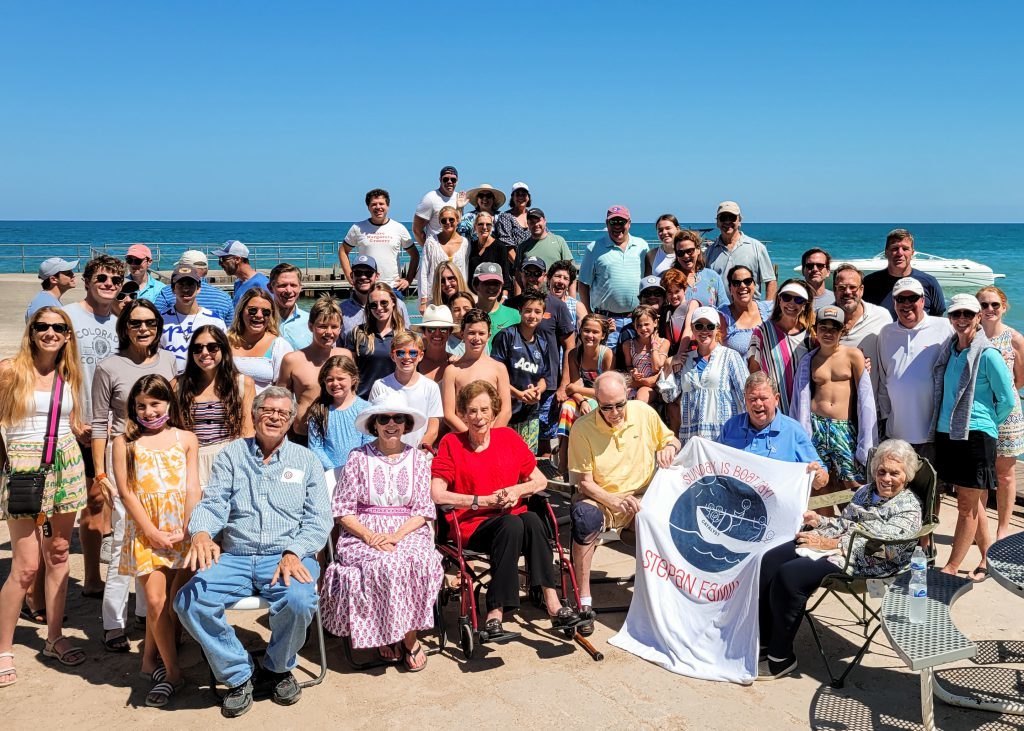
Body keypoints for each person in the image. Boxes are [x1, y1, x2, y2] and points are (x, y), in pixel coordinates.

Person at [174, 386, 332, 717]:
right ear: (254, 415)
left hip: (285, 554)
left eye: (282, 413)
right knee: (188, 601)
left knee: (300, 600)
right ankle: (238, 672)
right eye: (267, 411)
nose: (274, 417)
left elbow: (319, 521)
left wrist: (295, 551)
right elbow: (214, 502)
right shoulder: (231, 455)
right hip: (235, 555)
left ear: (291, 421)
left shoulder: (307, 461)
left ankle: (277, 667)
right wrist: (201, 532)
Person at [756, 439, 922, 680]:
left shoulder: (908, 508)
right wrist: (820, 523)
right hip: (838, 548)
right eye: (881, 471)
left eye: (894, 473)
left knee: (790, 575)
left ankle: (780, 659)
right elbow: (845, 524)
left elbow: (887, 550)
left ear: (906, 476)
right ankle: (763, 642)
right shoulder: (866, 491)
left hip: (870, 564)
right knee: (770, 560)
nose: (886, 478)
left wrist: (833, 544)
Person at [431, 380, 581, 637]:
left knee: (533, 520)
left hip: (514, 522)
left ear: (494, 411)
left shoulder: (508, 438)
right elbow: (436, 493)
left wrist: (516, 491)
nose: (479, 417)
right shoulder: (451, 443)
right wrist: (481, 501)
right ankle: (495, 611)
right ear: (463, 415)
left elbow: (540, 480)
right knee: (514, 523)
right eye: (472, 411)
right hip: (472, 524)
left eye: (484, 410)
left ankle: (554, 604)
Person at [321, 391, 443, 670]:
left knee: (420, 561)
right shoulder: (358, 458)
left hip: (408, 530)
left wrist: (397, 536)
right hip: (364, 531)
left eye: (398, 418)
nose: (391, 424)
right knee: (385, 564)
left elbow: (424, 510)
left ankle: (409, 638)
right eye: (384, 418)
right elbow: (342, 509)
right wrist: (369, 536)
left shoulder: (419, 460)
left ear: (406, 425)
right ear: (374, 423)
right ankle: (385, 633)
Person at [0, 308, 88, 686]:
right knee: (25, 567)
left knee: (59, 554)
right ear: (31, 331)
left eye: (59, 327)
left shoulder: (70, 374)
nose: (50, 333)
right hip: (23, 470)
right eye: (43, 326)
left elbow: (69, 420)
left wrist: (82, 431)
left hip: (65, 466)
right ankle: (4, 648)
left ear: (68, 335)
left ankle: (54, 638)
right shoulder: (9, 370)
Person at [91, 299, 176, 652]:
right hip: (123, 456)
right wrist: (99, 472)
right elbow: (99, 423)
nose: (144, 329)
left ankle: (144, 611)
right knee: (125, 538)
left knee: (152, 537)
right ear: (125, 327)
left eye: (151, 323)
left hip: (160, 460)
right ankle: (113, 621)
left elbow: (171, 411)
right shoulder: (109, 366)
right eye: (136, 323)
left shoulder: (169, 360)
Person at [567, 371, 680, 635]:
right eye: (607, 407)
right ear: (596, 401)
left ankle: (656, 595)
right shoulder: (582, 428)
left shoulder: (643, 412)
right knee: (585, 520)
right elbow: (584, 483)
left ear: (628, 395)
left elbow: (671, 438)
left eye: (620, 404)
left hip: (640, 495)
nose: (615, 412)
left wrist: (670, 448)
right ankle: (583, 600)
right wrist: (613, 501)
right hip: (599, 496)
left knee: (658, 520)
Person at [112, 375, 199, 706]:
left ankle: (150, 660)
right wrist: (151, 531)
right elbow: (127, 492)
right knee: (155, 600)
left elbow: (192, 486)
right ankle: (173, 673)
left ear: (168, 404)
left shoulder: (186, 438)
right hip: (147, 531)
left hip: (182, 529)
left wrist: (187, 527)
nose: (148, 412)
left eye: (154, 404)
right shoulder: (125, 442)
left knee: (175, 597)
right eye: (141, 406)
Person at [933, 294, 1016, 582]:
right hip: (948, 433)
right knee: (971, 501)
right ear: (950, 318)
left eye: (968, 314)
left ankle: (952, 566)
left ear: (978, 317)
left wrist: (987, 423)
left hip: (976, 434)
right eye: (957, 315)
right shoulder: (950, 349)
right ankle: (988, 557)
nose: (962, 320)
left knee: (967, 504)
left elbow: (1007, 398)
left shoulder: (988, 353)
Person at [64, 254, 124, 597]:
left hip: (116, 427)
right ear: (87, 280)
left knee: (112, 500)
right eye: (102, 278)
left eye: (115, 281)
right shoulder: (68, 317)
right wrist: (72, 418)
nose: (108, 285)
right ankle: (90, 577)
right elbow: (56, 371)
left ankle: (111, 573)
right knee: (92, 501)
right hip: (80, 424)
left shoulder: (120, 322)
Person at [791, 306, 877, 499]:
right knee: (819, 482)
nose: (828, 333)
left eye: (834, 328)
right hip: (816, 425)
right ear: (816, 330)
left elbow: (865, 396)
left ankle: (853, 524)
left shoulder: (853, 355)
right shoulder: (810, 359)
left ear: (842, 331)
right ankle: (824, 526)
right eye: (823, 327)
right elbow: (801, 396)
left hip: (843, 428)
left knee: (854, 482)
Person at [876, 277, 954, 457]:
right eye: (901, 299)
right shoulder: (886, 333)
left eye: (912, 298)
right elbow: (883, 379)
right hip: (896, 432)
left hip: (934, 433)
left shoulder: (945, 327)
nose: (906, 304)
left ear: (923, 301)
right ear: (894, 303)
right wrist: (884, 418)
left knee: (934, 484)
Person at [508, 257, 576, 455]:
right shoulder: (511, 305)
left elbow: (570, 347)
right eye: (527, 272)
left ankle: (542, 482)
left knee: (545, 439)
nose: (532, 277)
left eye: (537, 273)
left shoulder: (557, 306)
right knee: (515, 439)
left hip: (548, 385)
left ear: (544, 277)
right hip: (516, 385)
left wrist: (564, 385)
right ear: (521, 275)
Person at [717, 372, 830, 489]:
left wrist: (817, 476)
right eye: (752, 398)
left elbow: (821, 479)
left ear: (776, 399)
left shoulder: (793, 430)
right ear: (745, 399)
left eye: (763, 398)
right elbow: (713, 459)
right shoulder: (731, 426)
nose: (758, 404)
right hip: (737, 503)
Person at [174, 325, 255, 486]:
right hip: (190, 458)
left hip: (229, 456)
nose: (204, 353)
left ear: (223, 349)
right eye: (198, 348)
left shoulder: (242, 383)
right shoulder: (178, 385)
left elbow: (247, 431)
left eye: (212, 347)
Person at [976, 286, 1024, 539]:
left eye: (994, 305)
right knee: (980, 475)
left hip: (1008, 415)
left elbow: (1019, 380)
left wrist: (1000, 399)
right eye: (984, 305)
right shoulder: (972, 336)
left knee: (1005, 475)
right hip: (980, 415)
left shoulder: (1015, 339)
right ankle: (978, 527)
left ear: (1004, 307)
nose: (989, 310)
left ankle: (1003, 528)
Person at [274, 296, 351, 440]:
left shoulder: (345, 356)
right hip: (303, 433)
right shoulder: (292, 360)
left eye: (334, 327)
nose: (329, 332)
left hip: (338, 431)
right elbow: (282, 400)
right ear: (310, 326)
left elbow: (352, 396)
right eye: (322, 326)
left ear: (340, 328)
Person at [673, 307, 749, 446]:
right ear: (692, 328)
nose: (704, 331)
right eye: (699, 326)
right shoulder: (685, 359)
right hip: (692, 440)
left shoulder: (730, 356)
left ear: (717, 328)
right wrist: (668, 366)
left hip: (724, 438)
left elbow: (745, 394)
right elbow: (669, 396)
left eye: (710, 326)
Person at [578, 205, 648, 349]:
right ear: (607, 223)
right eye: (613, 222)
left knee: (633, 367)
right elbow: (583, 284)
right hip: (605, 320)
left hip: (635, 320)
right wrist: (589, 314)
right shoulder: (593, 248)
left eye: (621, 222)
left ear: (629, 223)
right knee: (607, 367)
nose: (617, 226)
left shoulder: (642, 246)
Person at [491, 289, 551, 453]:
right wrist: (518, 394)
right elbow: (494, 375)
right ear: (520, 311)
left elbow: (544, 378)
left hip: (530, 413)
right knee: (504, 457)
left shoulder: (543, 343)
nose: (532, 315)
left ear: (543, 314)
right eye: (528, 311)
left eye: (537, 312)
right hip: (505, 411)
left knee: (527, 458)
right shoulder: (506, 336)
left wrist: (538, 391)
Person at [556, 314, 613, 474]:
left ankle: (590, 464)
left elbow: (606, 390)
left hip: (604, 399)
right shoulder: (574, 354)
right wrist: (581, 401)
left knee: (593, 411)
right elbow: (572, 386)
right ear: (580, 332)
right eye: (587, 331)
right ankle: (563, 461)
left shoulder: (607, 355)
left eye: (595, 332)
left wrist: (577, 390)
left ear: (603, 335)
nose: (590, 335)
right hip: (583, 398)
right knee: (567, 408)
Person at [748, 279, 814, 415]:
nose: (791, 303)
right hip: (774, 412)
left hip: (805, 410)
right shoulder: (762, 332)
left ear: (805, 305)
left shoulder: (811, 336)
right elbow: (754, 374)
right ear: (779, 300)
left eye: (798, 300)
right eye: (786, 297)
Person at [369, 331, 443, 450]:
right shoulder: (380, 386)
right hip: (388, 455)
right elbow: (375, 426)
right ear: (393, 356)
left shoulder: (431, 387)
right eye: (400, 353)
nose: (407, 357)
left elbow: (433, 430)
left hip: (420, 455)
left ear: (421, 356)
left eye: (413, 353)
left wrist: (415, 455)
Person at [441, 309, 512, 432]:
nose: (476, 338)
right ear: (462, 334)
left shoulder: (499, 369)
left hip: (492, 437)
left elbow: (505, 411)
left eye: (481, 333)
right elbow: (449, 414)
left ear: (489, 336)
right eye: (471, 333)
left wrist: (491, 438)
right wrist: (470, 437)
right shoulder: (452, 371)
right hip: (463, 438)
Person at [833, 264, 892, 401]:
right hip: (834, 409)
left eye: (853, 287)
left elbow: (890, 362)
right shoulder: (823, 318)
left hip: (870, 406)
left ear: (861, 290)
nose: (847, 292)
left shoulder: (881, 316)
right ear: (835, 290)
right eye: (841, 287)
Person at [341, 188, 418, 292]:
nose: (378, 207)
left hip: (393, 288)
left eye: (381, 204)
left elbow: (415, 255)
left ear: (387, 206)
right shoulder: (357, 228)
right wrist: (349, 275)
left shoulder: (399, 228)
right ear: (368, 207)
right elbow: (343, 251)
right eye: (374, 204)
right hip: (366, 287)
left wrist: (408, 279)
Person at [862, 228, 946, 318]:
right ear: (886, 252)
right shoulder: (869, 283)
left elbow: (938, 318)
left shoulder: (929, 282)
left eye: (905, 249)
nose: (900, 253)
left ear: (912, 253)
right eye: (895, 248)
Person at [159, 263, 227, 374]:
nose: (185, 289)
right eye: (180, 284)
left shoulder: (215, 321)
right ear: (173, 289)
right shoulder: (160, 320)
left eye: (190, 284)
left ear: (198, 288)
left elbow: (225, 355)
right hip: (170, 383)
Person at [307, 355, 371, 470]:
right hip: (328, 474)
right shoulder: (319, 410)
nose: (335, 383)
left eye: (340, 379)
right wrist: (334, 470)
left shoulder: (366, 409)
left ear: (353, 380)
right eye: (330, 380)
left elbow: (369, 444)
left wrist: (352, 469)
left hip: (359, 471)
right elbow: (315, 447)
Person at [704, 201, 777, 301]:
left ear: (739, 221)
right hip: (720, 313)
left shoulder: (757, 248)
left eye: (732, 217)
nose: (727, 222)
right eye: (723, 218)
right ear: (717, 222)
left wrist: (767, 310)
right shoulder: (709, 252)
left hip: (750, 312)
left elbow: (770, 281)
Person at [344, 283, 405, 399]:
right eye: (373, 305)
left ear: (393, 302)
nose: (379, 308)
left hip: (396, 401)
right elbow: (349, 370)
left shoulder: (405, 336)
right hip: (363, 401)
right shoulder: (357, 334)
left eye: (384, 302)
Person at [228, 287, 294, 394]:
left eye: (266, 312)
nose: (259, 315)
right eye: (252, 310)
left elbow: (283, 391)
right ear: (241, 311)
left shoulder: (279, 346)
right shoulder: (225, 341)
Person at [339, 254, 411, 341]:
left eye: (368, 273)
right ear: (351, 276)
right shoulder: (341, 310)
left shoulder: (398, 305)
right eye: (358, 273)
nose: (363, 277)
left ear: (377, 276)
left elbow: (408, 338)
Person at [153, 250, 234, 325]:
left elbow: (155, 320)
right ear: (206, 269)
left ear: (182, 268)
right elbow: (230, 331)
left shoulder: (167, 292)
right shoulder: (224, 297)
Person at [418, 205, 470, 315]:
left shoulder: (465, 243)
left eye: (451, 219)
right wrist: (423, 300)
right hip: (435, 295)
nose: (447, 222)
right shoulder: (431, 242)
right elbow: (424, 271)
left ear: (457, 220)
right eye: (443, 220)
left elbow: (465, 270)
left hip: (458, 295)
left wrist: (465, 295)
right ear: (439, 222)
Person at [719, 265, 774, 357]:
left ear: (754, 285)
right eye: (736, 283)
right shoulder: (722, 316)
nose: (743, 286)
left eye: (747, 281)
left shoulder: (769, 309)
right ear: (730, 289)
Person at [672, 229, 730, 308]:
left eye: (690, 251)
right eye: (680, 253)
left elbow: (724, 307)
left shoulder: (713, 277)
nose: (685, 256)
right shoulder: (671, 279)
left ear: (698, 250)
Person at [517, 208, 574, 286]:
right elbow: (518, 275)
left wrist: (571, 297)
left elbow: (570, 271)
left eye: (538, 221)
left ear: (544, 221)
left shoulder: (559, 241)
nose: (536, 225)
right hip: (532, 295)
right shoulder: (522, 246)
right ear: (528, 224)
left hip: (556, 294)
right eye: (532, 222)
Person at [624, 304, 668, 403]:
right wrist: (633, 372)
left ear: (655, 322)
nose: (643, 328)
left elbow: (656, 367)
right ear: (634, 326)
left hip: (654, 386)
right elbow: (629, 366)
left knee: (640, 397)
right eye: (639, 325)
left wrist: (654, 346)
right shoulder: (628, 345)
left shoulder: (664, 343)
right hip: (635, 383)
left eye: (646, 324)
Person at [471, 261, 520, 347]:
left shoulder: (515, 315)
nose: (492, 287)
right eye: (487, 283)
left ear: (501, 287)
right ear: (475, 285)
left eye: (496, 283)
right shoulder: (468, 315)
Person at [413, 165, 464, 246]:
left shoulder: (459, 198)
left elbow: (458, 224)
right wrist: (428, 249)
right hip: (436, 249)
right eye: (446, 179)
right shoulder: (430, 199)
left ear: (457, 181)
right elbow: (417, 230)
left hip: (454, 249)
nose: (449, 182)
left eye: (453, 179)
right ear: (440, 180)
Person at [213, 240, 270, 309]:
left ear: (237, 259)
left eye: (223, 259)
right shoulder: (238, 282)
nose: (219, 263)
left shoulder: (262, 284)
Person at [467, 212, 510, 296]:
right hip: (473, 297)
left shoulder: (500, 247)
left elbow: (505, 275)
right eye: (480, 224)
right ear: (475, 227)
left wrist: (504, 297)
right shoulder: (470, 246)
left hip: (493, 296)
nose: (484, 227)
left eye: (488, 225)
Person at [269, 262, 311, 350]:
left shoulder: (311, 322)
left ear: (300, 288)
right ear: (270, 288)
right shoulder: (261, 321)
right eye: (283, 285)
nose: (288, 290)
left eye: (293, 285)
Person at [26, 257, 78, 321]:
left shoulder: (45, 299)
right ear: (53, 279)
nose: (73, 275)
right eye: (68, 273)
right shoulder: (48, 307)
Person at [416, 303, 457, 382]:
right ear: (424, 332)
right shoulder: (413, 361)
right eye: (431, 329)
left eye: (443, 329)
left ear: (450, 331)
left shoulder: (457, 363)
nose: (437, 333)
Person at [494, 181, 532, 259]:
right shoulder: (506, 217)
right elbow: (506, 244)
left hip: (533, 262)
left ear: (528, 197)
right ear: (512, 197)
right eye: (518, 194)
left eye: (524, 194)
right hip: (513, 264)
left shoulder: (533, 215)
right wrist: (518, 266)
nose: (521, 197)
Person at [548, 259, 587, 329]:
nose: (561, 281)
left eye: (565, 278)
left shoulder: (577, 307)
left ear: (569, 284)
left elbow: (585, 332)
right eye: (558, 276)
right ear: (549, 279)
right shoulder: (541, 303)